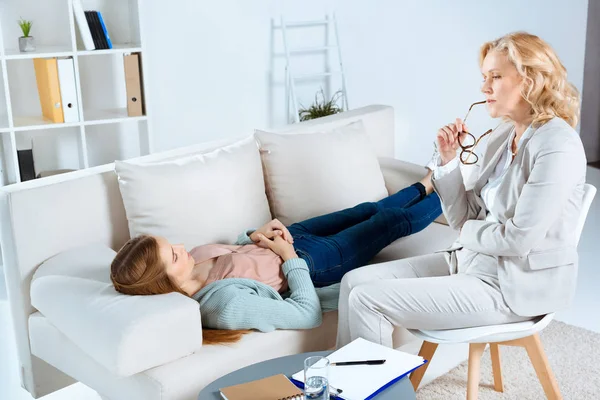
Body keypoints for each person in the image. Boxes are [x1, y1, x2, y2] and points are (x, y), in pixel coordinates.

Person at [336, 31, 587, 349]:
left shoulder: (557, 146)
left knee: (368, 301)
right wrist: (448, 162)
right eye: (485, 77)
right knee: (353, 282)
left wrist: (468, 233)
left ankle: (366, 395)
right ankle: (342, 391)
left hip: (511, 286)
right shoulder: (503, 135)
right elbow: (463, 218)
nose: (484, 88)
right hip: (472, 261)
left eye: (495, 77)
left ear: (530, 80)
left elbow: (517, 239)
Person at [110, 172, 442, 344]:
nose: (181, 247)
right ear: (163, 280)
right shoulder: (224, 306)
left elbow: (238, 252)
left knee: (367, 210)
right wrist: (286, 256)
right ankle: (457, 192)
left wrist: (254, 235)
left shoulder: (192, 261)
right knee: (389, 223)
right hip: (313, 263)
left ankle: (429, 183)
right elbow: (306, 314)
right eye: (172, 253)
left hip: (290, 236)